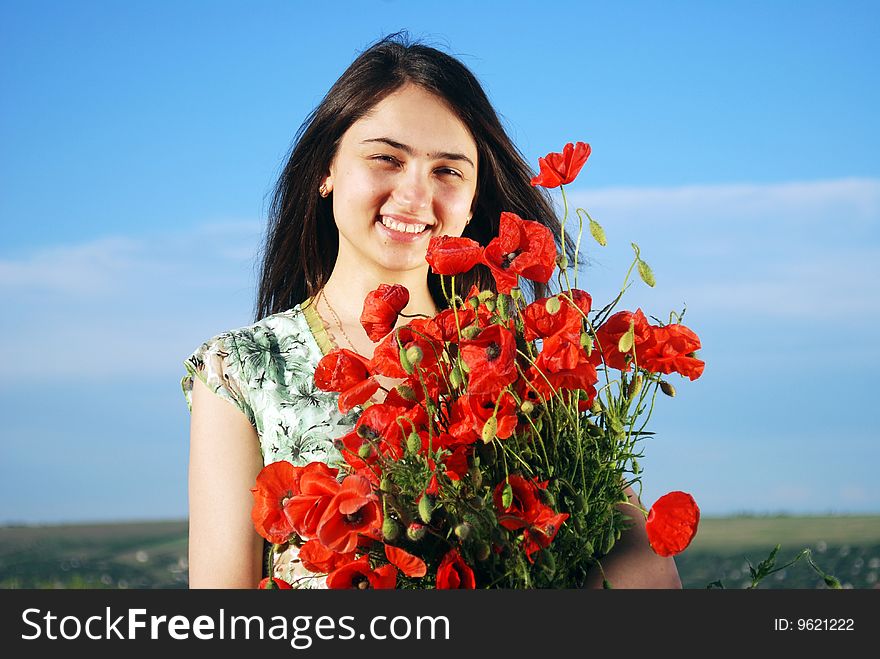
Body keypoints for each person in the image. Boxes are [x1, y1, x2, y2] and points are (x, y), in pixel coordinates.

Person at [182, 32, 681, 589]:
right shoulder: (243, 368)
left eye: (447, 171)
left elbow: (636, 552)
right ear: (327, 169)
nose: (415, 196)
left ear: (471, 204)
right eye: (386, 159)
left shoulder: (521, 364)